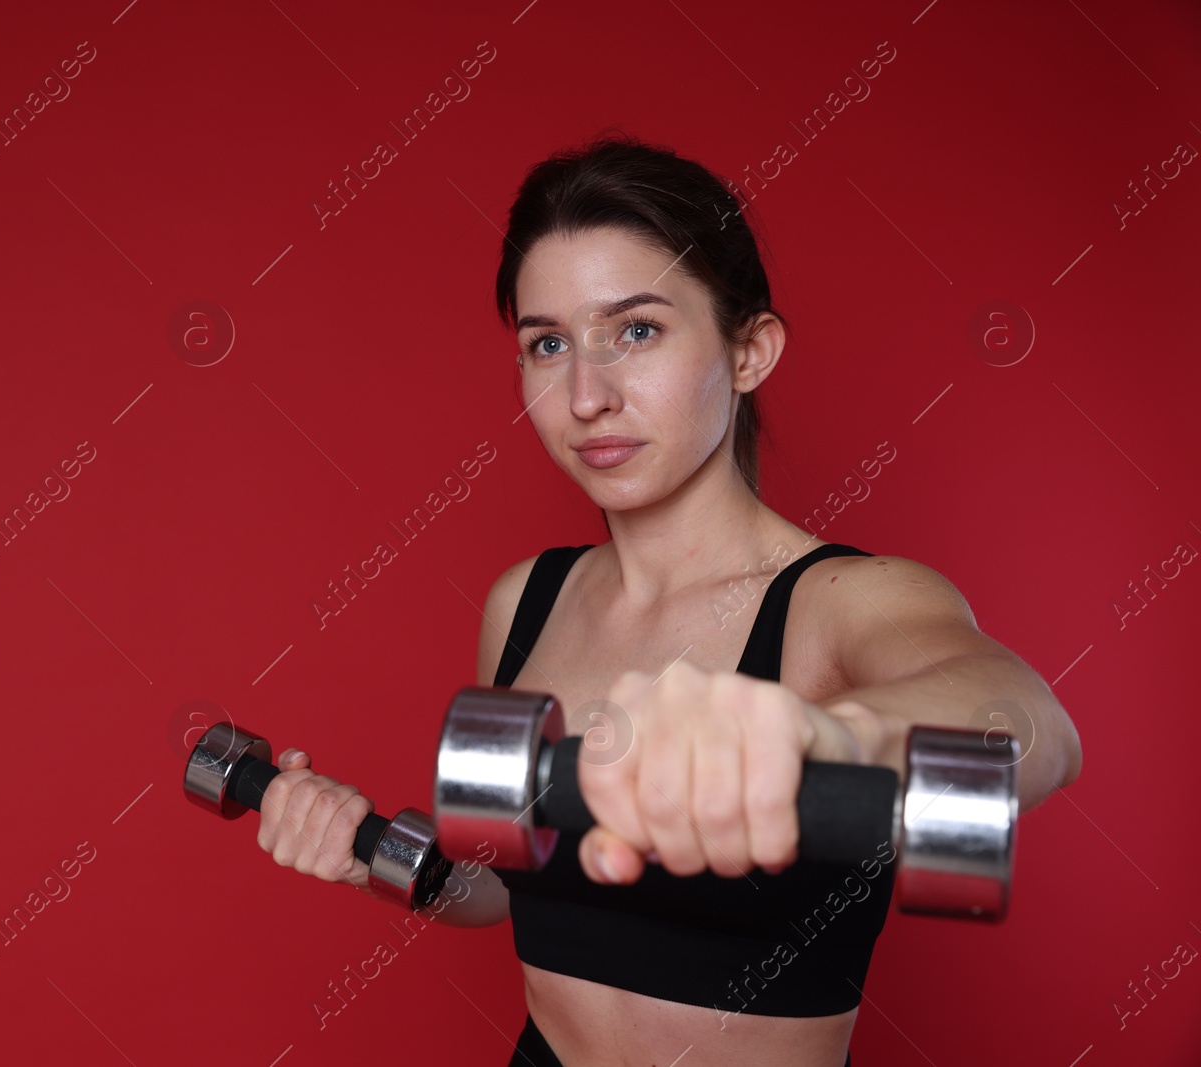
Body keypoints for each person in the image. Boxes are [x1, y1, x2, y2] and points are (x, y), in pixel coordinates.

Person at [254, 133, 1084, 1066]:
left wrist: (827, 739)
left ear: (748, 351)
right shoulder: (525, 600)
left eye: (636, 330)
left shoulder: (842, 600)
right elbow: (495, 883)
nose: (585, 394)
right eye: (548, 344)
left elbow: (1034, 728)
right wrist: (365, 847)